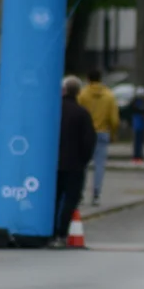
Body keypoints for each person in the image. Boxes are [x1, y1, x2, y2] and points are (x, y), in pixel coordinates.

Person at [50, 76, 97, 248]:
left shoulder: (52, 110)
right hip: (74, 165)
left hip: (53, 164)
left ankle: (50, 232)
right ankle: (62, 233)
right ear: (78, 92)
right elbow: (89, 141)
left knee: (53, 199)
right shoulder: (82, 113)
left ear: (63, 91)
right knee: (70, 199)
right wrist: (83, 160)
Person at [77, 70, 119, 207]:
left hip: (84, 132)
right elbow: (114, 119)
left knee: (82, 165)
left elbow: (77, 113)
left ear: (88, 79)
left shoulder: (83, 94)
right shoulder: (109, 96)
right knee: (99, 165)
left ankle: (80, 194)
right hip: (102, 133)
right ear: (100, 79)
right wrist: (113, 133)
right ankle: (96, 194)